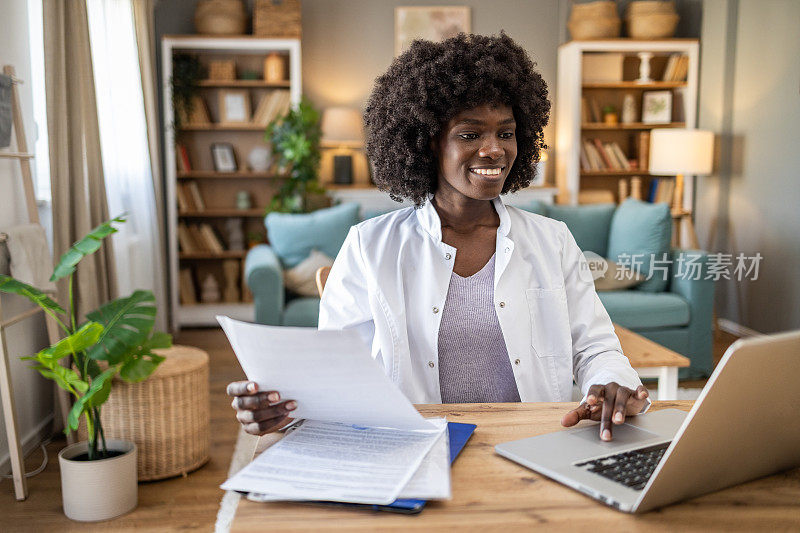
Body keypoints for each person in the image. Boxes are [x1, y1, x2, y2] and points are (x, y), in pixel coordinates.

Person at [227, 32, 649, 442]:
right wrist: (279, 409)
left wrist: (611, 383)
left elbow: (596, 346)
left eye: (505, 132)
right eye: (470, 134)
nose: (494, 149)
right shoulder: (369, 246)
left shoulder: (552, 240)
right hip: (415, 449)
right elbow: (334, 378)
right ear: (428, 143)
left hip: (533, 445)